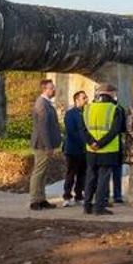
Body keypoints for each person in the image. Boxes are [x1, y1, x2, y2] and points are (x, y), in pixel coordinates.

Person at [81, 84, 127, 215]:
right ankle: (99, 207)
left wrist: (92, 142)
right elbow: (116, 130)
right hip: (108, 150)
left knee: (90, 177)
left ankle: (87, 206)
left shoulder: (87, 108)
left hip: (91, 150)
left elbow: (83, 129)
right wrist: (101, 143)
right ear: (111, 93)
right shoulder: (115, 109)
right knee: (103, 179)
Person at [28, 78, 62, 210]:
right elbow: (43, 128)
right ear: (44, 89)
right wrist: (48, 146)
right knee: (39, 172)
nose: (54, 90)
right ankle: (34, 200)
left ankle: (41, 199)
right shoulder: (41, 104)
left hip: (45, 144)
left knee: (43, 172)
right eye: (51, 88)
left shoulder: (46, 103)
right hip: (42, 144)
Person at [61, 90, 89, 207]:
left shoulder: (87, 112)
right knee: (71, 173)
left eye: (86, 97)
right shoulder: (70, 114)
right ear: (77, 100)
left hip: (84, 149)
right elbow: (71, 131)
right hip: (72, 149)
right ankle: (67, 196)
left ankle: (79, 195)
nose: (86, 100)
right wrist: (84, 142)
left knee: (82, 174)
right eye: (84, 98)